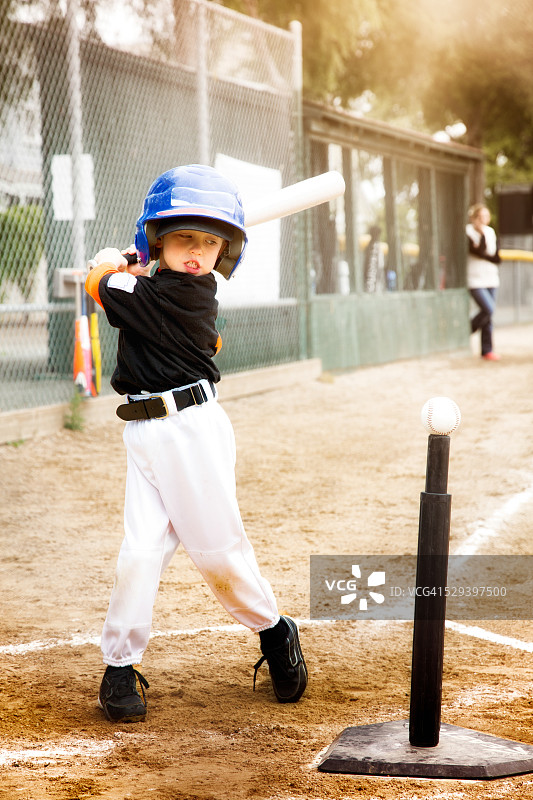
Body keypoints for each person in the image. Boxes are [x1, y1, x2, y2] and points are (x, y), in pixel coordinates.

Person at [85, 164, 307, 723]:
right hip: (144, 432)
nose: (197, 252)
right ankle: (119, 666)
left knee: (217, 552)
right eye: (184, 238)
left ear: (222, 254)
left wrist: (112, 263)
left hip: (191, 432)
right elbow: (132, 294)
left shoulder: (188, 289)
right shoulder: (155, 288)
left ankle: (275, 632)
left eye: (211, 243)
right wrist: (133, 269)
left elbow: (101, 283)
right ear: (158, 240)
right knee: (139, 553)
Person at [466, 203, 501, 361]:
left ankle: (487, 350)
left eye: (486, 216)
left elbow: (496, 258)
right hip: (475, 280)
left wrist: (482, 249)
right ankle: (465, 330)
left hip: (491, 278)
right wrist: (481, 238)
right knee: (489, 309)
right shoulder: (467, 232)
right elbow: (479, 252)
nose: (483, 220)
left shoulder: (491, 232)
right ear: (473, 218)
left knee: (488, 316)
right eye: (480, 217)